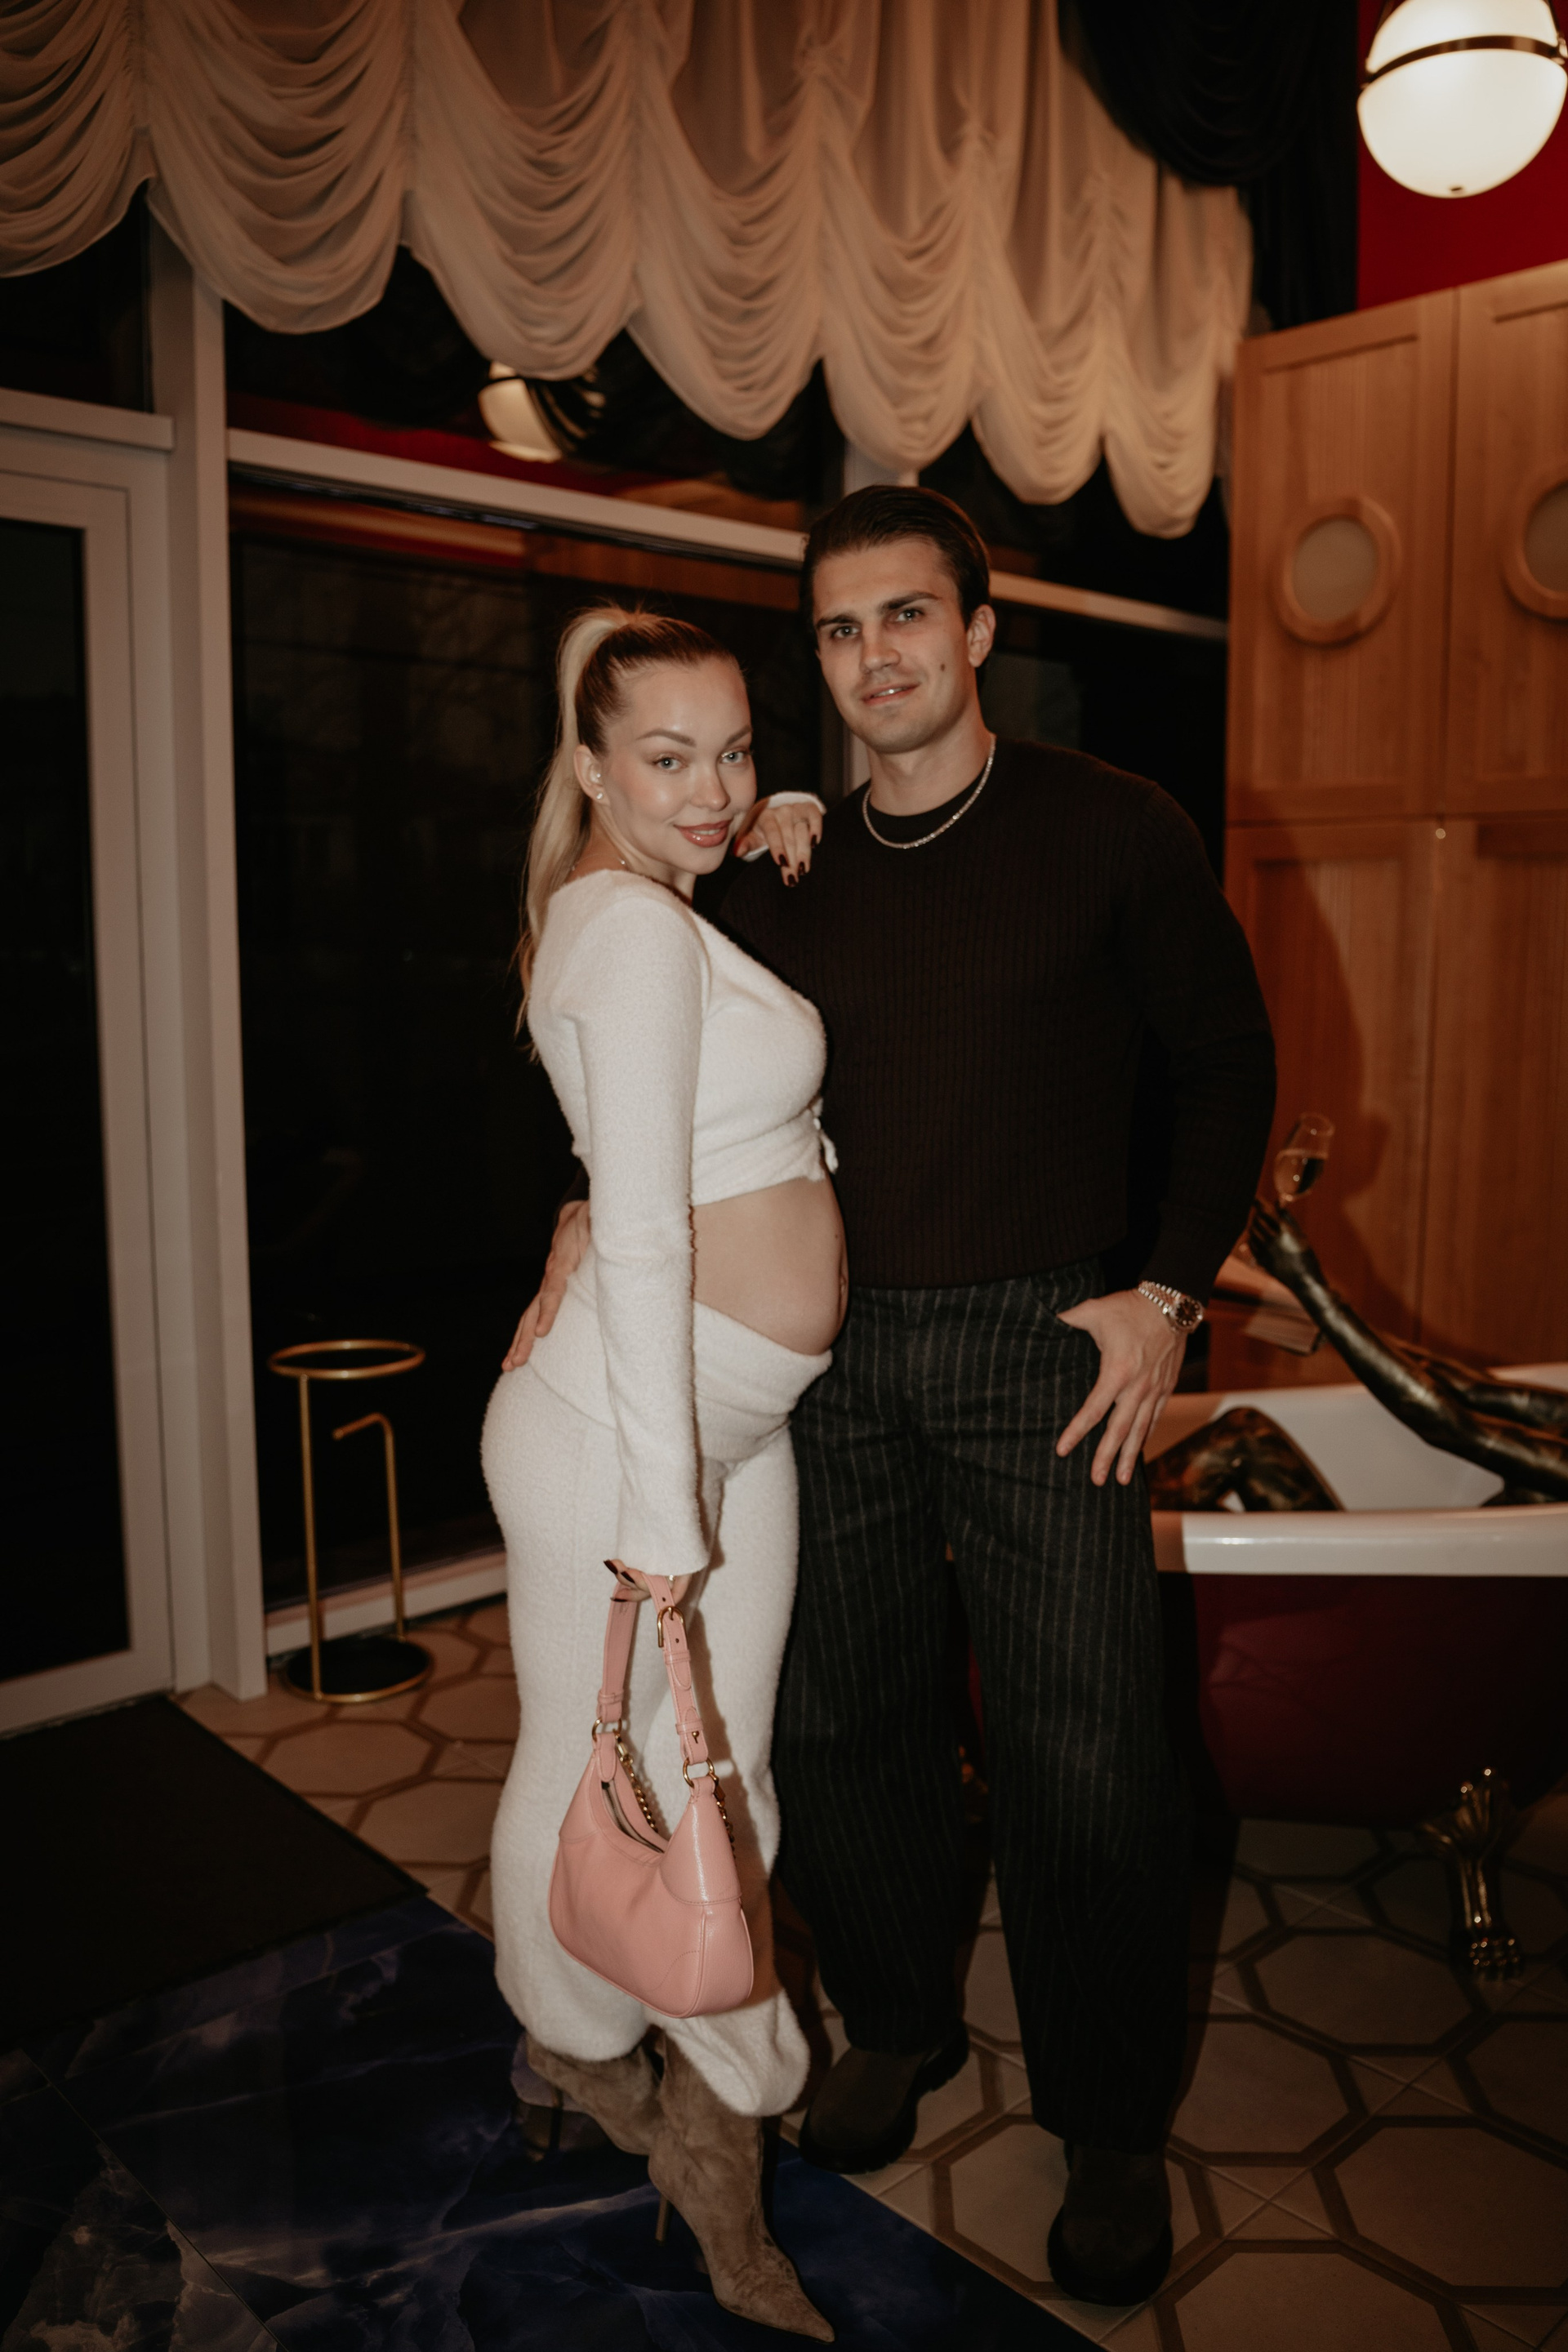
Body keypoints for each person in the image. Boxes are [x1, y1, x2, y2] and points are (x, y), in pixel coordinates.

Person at [516, 488, 1276, 2306]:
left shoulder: (1114, 827)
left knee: (1087, 1750)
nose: (877, 658)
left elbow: (1228, 1060)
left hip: (1047, 1349)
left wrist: (1169, 1292)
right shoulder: (777, 862)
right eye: (842, 630)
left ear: (981, 629)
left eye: (909, 617)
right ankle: (901, 2018)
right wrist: (576, 1210)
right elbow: (659, 1078)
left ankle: (1108, 2121)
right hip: (830, 1367)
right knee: (848, 1721)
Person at [483, 606, 844, 2342]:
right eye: (668, 757)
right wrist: (656, 1513)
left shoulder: (651, 903)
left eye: (736, 750)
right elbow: (635, 1230)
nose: (712, 787)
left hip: (724, 1422)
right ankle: (608, 2064)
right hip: (628, 1439)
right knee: (592, 1767)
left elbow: (710, 1134)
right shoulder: (627, 929)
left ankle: (684, 2067)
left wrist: (756, 830)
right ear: (590, 765)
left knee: (718, 1777)